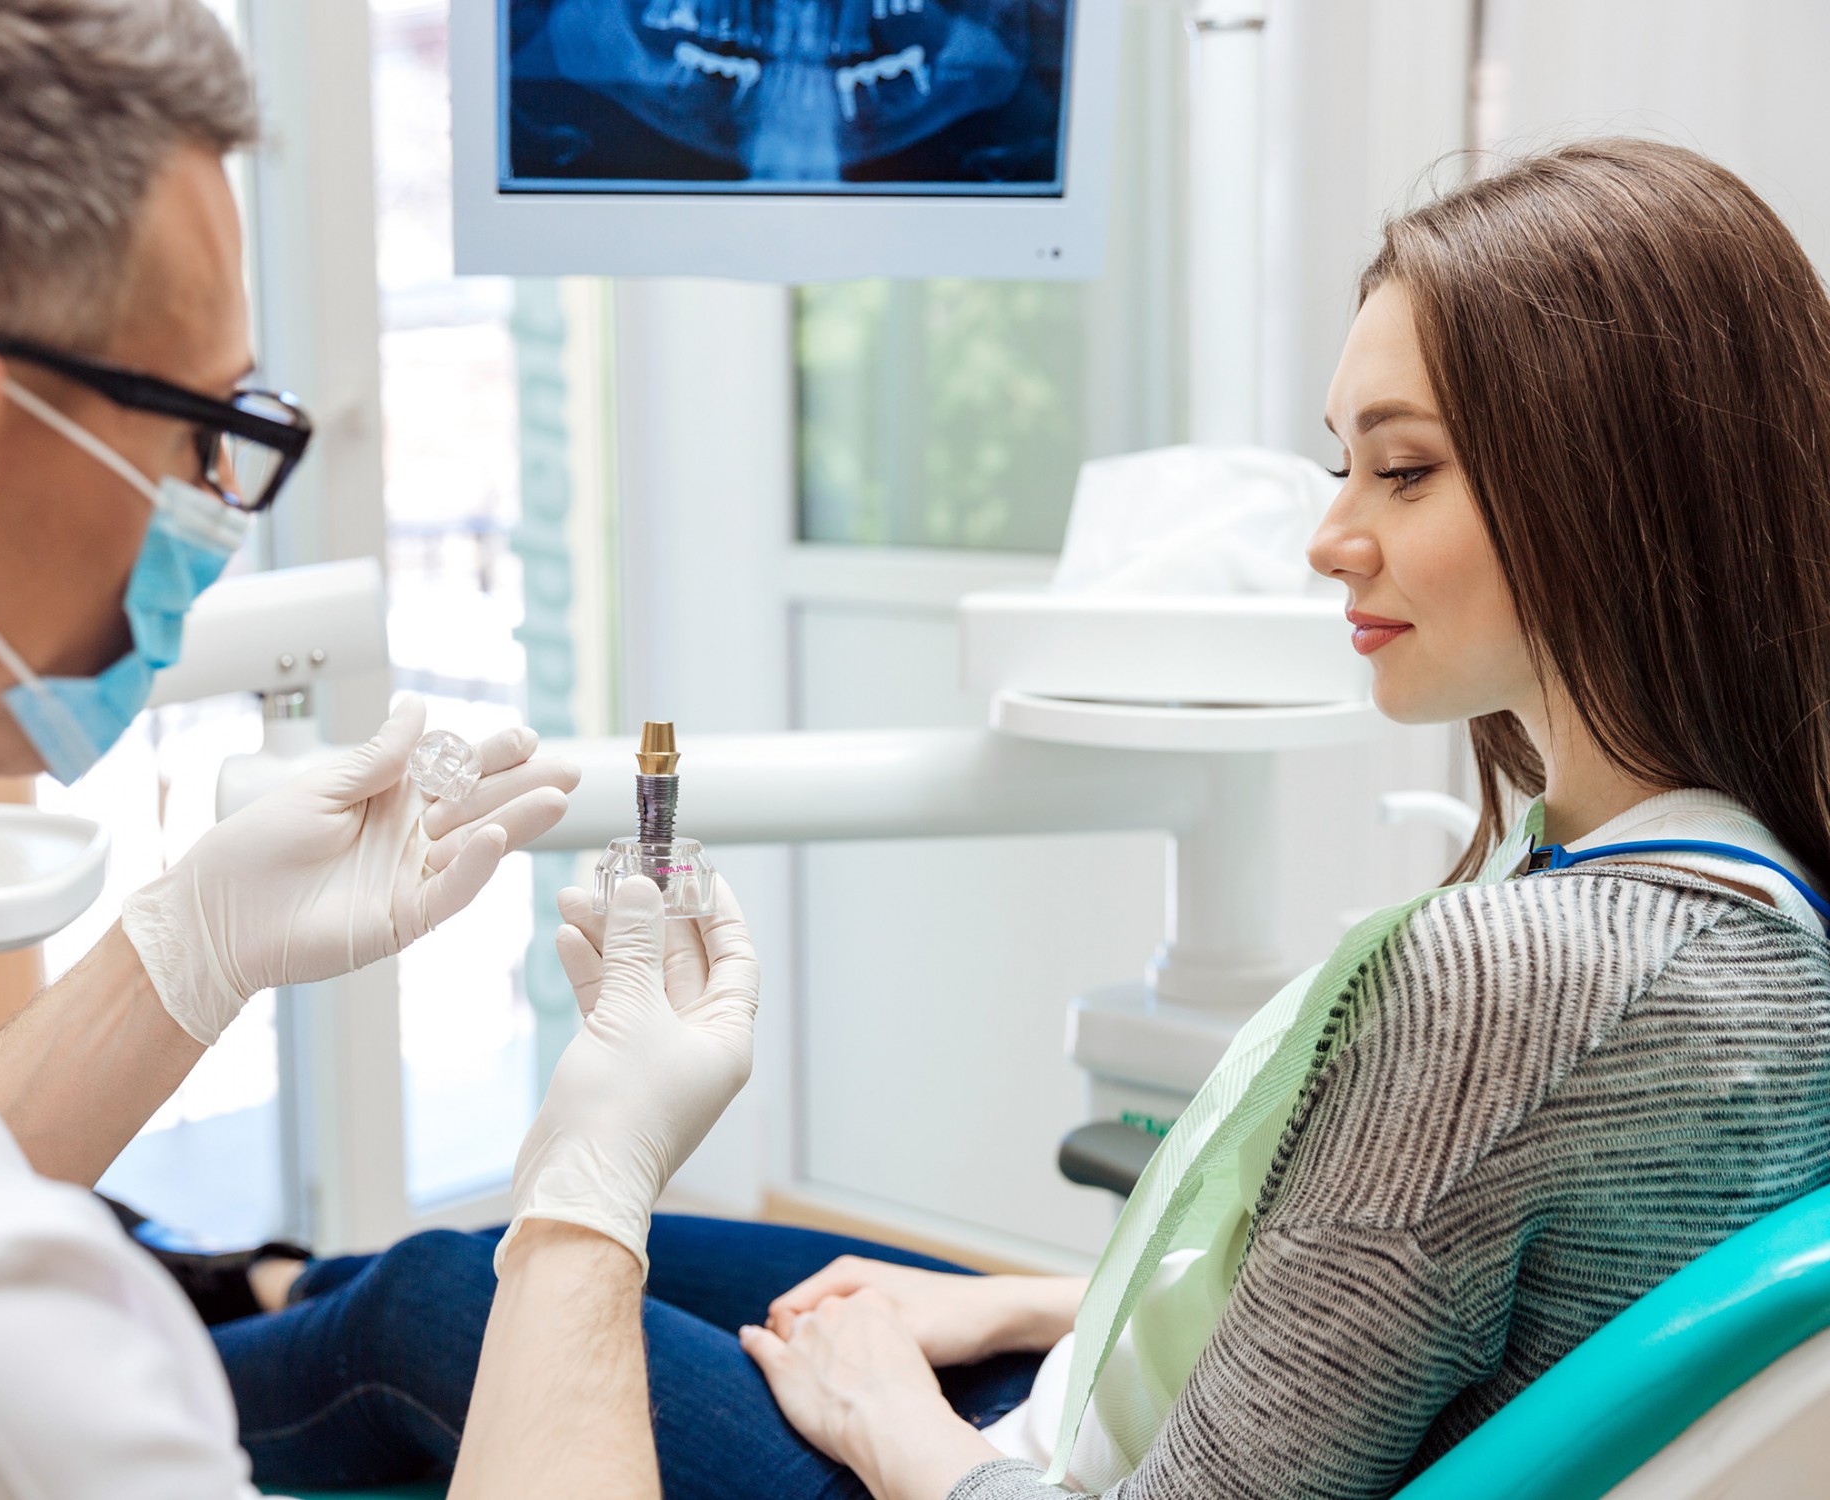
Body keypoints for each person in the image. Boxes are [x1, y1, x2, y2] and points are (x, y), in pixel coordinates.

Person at [191, 137, 1830, 1500]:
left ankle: (57, 1363)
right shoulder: (1742, 898)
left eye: (1400, 474)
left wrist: (899, 1424)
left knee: (429, 1307)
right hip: (1112, 1404)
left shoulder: (1519, 980)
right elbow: (1397, 1300)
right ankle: (224, 1284)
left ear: (1618, 486)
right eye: (1340, 464)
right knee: (452, 1270)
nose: (1329, 537)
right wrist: (1013, 1302)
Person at [0, 3, 758, 1497]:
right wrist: (589, 1203)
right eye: (203, 426)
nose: (219, 500)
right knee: (424, 1302)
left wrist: (190, 945)